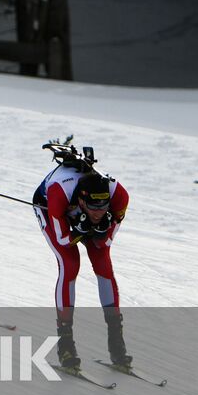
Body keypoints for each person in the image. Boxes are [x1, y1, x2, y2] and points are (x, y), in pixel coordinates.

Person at [33, 149, 132, 370]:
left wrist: (98, 230)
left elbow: (104, 243)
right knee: (70, 264)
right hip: (48, 206)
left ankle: (117, 343)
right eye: (94, 207)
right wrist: (79, 229)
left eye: (104, 207)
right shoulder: (60, 192)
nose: (100, 212)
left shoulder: (119, 196)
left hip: (76, 212)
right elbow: (63, 238)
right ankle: (65, 343)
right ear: (81, 199)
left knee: (103, 264)